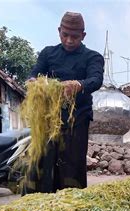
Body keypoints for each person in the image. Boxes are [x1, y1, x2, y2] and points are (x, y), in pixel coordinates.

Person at [26, 11, 104, 193]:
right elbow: (34, 74)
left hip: (77, 119)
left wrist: (79, 84)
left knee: (72, 163)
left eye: (75, 36)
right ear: (59, 31)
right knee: (44, 161)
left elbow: (96, 79)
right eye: (65, 35)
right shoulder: (48, 53)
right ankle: (41, 200)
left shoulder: (92, 57)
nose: (69, 40)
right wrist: (33, 82)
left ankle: (72, 201)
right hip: (48, 119)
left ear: (83, 36)